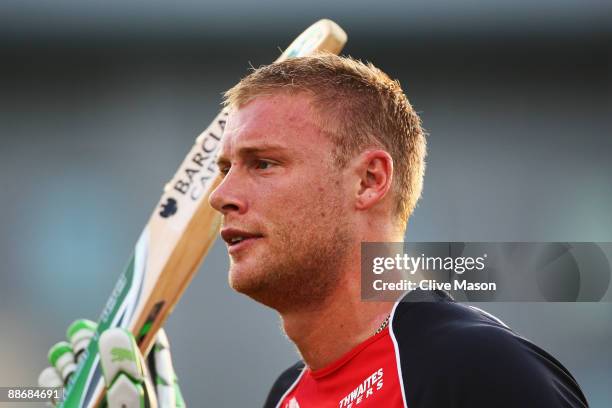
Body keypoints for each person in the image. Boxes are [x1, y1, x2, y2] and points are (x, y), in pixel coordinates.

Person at [41, 53, 589, 407]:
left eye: (264, 163)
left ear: (369, 180)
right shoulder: (288, 398)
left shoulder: (472, 371)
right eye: (223, 168)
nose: (220, 197)